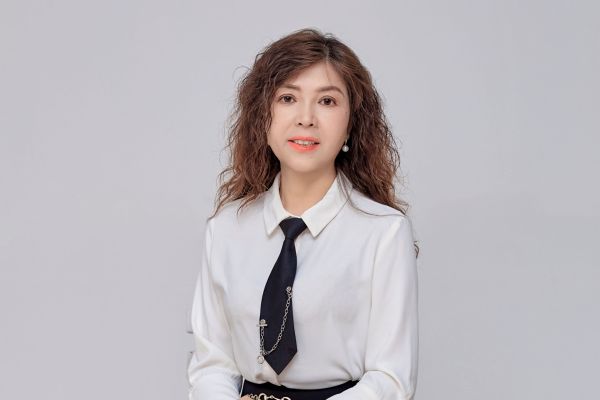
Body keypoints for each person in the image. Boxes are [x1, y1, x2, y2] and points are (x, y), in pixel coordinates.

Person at [187, 28, 420, 400]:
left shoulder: (384, 232)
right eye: (288, 98)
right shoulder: (226, 228)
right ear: (263, 117)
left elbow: (391, 379)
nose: (306, 118)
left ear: (351, 123)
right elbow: (211, 364)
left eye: (327, 101)